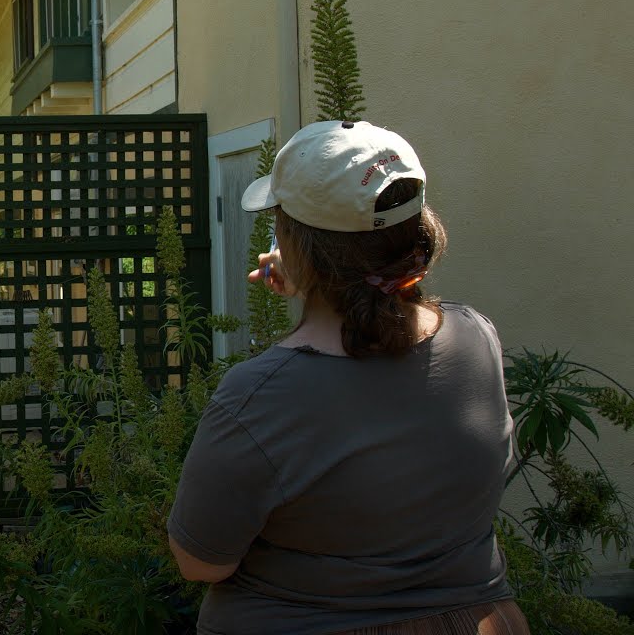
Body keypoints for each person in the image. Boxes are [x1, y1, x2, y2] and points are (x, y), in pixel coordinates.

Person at [167, 121, 528, 634]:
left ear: (293, 242)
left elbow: (201, 562)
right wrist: (315, 284)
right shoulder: (475, 337)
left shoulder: (260, 396)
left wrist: (315, 288)